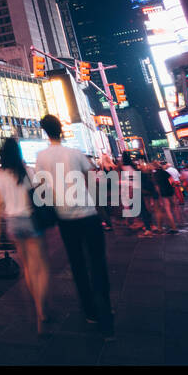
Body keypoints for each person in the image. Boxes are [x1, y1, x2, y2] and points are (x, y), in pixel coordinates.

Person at [35, 114, 113, 338]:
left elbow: (41, 188)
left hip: (64, 217)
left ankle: (90, 310)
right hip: (88, 213)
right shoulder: (75, 153)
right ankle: (105, 306)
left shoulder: (41, 157)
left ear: (44, 131)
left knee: (77, 264)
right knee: (97, 262)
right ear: (61, 129)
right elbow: (90, 180)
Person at [0, 137, 50, 332]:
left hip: (13, 223)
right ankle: (42, 311)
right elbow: (41, 195)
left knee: (27, 267)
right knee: (40, 267)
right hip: (30, 219)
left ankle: (36, 305)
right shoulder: (28, 172)